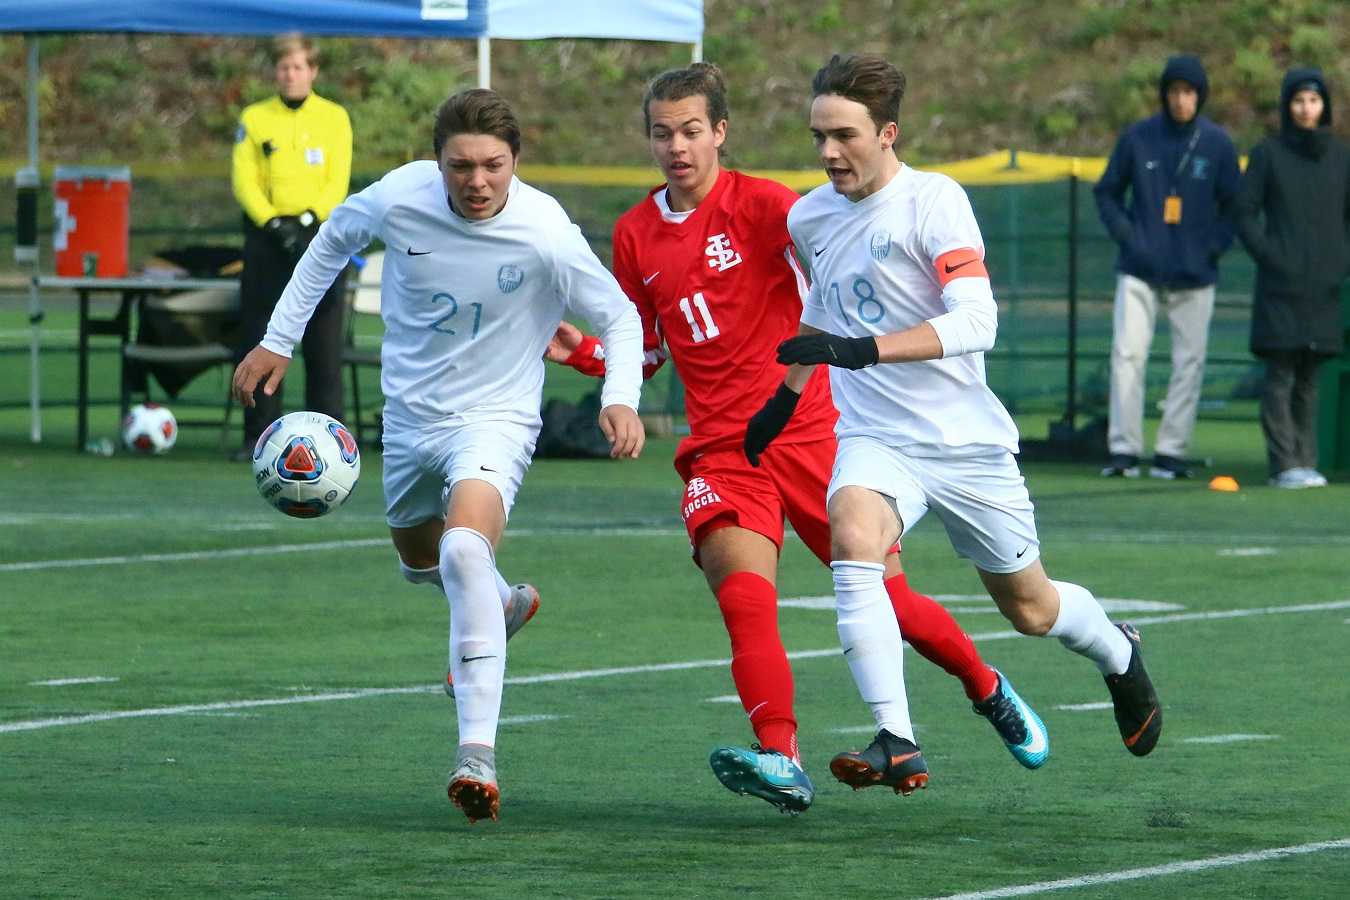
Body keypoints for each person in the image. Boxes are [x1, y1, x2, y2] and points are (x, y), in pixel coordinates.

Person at [549, 63, 1048, 815]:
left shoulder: (777, 210)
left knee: (891, 599)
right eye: (661, 133)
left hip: (816, 429)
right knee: (744, 601)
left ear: (720, 132)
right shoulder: (634, 233)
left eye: (691, 130)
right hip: (723, 448)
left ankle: (987, 687)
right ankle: (781, 757)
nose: (677, 147)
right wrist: (587, 354)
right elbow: (647, 348)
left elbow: (843, 290)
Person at [746, 54, 1163, 797]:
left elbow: (978, 320)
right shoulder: (808, 215)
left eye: (843, 135)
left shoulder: (934, 201)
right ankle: (897, 738)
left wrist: (862, 350)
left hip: (965, 444)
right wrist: (788, 394)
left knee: (1032, 609)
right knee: (853, 539)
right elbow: (828, 312)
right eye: (818, 136)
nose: (827, 152)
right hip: (876, 437)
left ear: (889, 133)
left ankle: (1119, 652)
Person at [232, 89, 646, 824]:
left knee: (461, 553)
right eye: (462, 166)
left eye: (493, 165)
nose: (478, 181)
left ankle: (475, 757)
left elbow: (617, 314)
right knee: (424, 562)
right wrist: (277, 338)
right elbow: (330, 242)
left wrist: (620, 398)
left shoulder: (545, 229)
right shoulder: (398, 199)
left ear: (515, 161)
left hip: (496, 421)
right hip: (411, 421)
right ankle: (506, 604)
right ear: (438, 161)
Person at [1094, 54, 1242, 479]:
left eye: (1189, 92)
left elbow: (1236, 206)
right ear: (1164, 94)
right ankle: (1124, 451)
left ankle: (1171, 452)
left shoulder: (1217, 144)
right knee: (1127, 356)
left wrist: (1212, 248)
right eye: (1175, 91)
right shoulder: (1138, 137)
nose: (1182, 100)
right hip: (1140, 270)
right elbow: (1106, 192)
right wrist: (1128, 236)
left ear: (1200, 96)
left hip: (1195, 277)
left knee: (1189, 363)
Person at [231, 34, 353, 459]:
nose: (291, 74)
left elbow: (338, 179)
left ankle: (333, 442)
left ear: (313, 71)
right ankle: (259, 438)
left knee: (324, 346)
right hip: (267, 242)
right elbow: (244, 178)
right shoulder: (254, 117)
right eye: (284, 67)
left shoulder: (334, 117)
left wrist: (306, 220)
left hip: (318, 239)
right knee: (261, 337)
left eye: (299, 67)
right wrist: (272, 221)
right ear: (275, 72)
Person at [1234, 68, 1348, 489]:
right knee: (1280, 375)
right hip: (1281, 286)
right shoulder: (1267, 154)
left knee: (1310, 378)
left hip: (1324, 287)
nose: (1306, 109)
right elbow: (1243, 212)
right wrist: (1272, 257)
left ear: (1324, 106)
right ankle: (1284, 465)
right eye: (1298, 101)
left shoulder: (1340, 157)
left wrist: (1340, 262)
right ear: (1288, 106)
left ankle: (1306, 461)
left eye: (1314, 101)